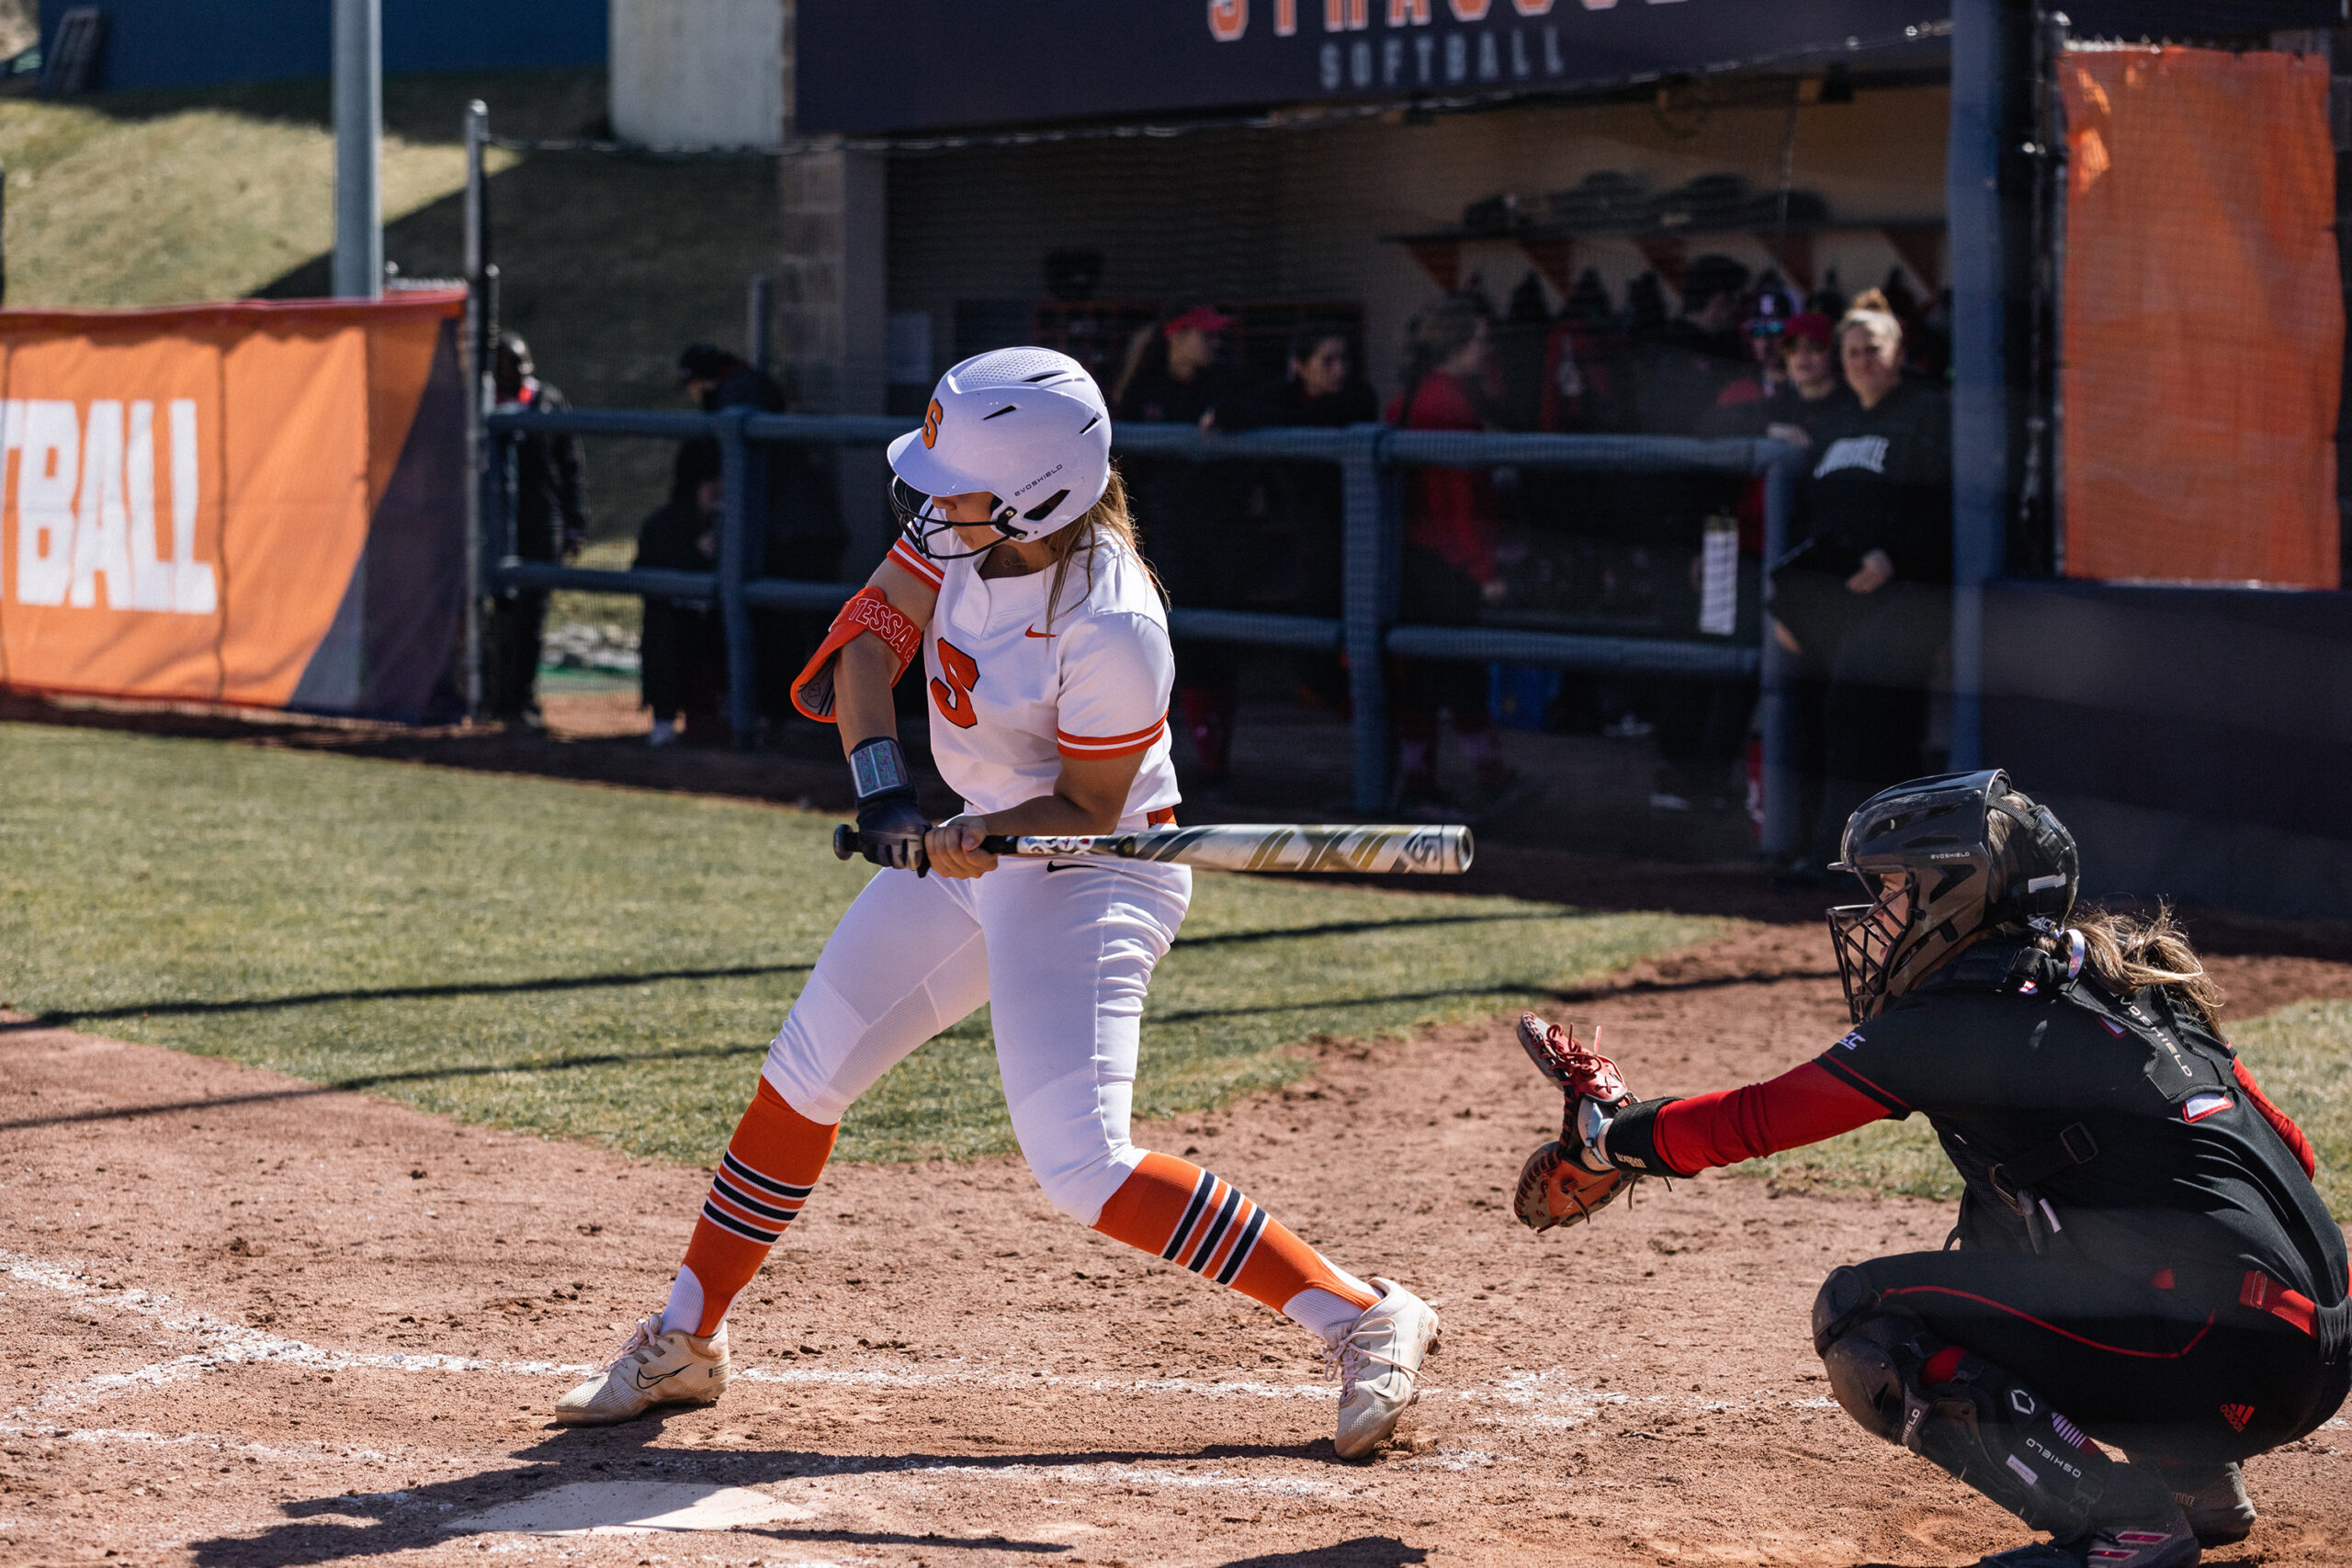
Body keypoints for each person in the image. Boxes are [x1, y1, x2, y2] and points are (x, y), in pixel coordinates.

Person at [554, 347, 1441, 1460]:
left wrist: (996, 828)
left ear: (1035, 494)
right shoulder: (955, 533)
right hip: (982, 849)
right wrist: (886, 797)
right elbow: (868, 645)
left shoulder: (1112, 624)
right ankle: (687, 1338)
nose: (930, 498)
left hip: (1094, 870)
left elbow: (1092, 799)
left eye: (956, 481)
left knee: (1081, 1164)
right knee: (804, 1074)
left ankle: (1361, 1316)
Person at [1513, 770, 2347, 1568]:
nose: (1878, 913)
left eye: (1894, 889)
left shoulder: (1964, 1017)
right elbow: (2294, 1151)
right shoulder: (2123, 972)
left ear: (1959, 892)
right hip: (2316, 1343)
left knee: (1864, 1315)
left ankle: (2122, 1523)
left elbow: (1759, 1118)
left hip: (2225, 1357)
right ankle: (2196, 1472)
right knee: (2011, 1208)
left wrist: (1613, 1138)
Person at [1770, 291, 1952, 875]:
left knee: (1858, 708)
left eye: (1872, 349)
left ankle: (1849, 856)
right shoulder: (1835, 423)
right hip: (1827, 602)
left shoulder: (1926, 413)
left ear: (1898, 353)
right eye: (1851, 351)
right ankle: (1803, 847)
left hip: (1902, 597)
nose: (1861, 360)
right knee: (1803, 707)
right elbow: (1808, 522)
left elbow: (1945, 509)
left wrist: (1896, 558)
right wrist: (1786, 605)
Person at [1386, 294, 1520, 816]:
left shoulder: (1413, 393)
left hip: (1412, 561)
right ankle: (1487, 779)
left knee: (1420, 678)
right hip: (1447, 562)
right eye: (1481, 341)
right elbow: (1459, 504)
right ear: (1459, 346)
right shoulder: (1450, 403)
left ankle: (1420, 781)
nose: (1486, 349)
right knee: (1460, 676)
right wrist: (1484, 570)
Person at [675, 342, 846, 735]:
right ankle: (795, 717)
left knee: (806, 626)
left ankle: (815, 718)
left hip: (797, 533)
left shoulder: (739, 390)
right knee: (795, 624)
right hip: (793, 529)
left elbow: (751, 478)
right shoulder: (743, 385)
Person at [1114, 306, 1249, 798]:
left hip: (1223, 529)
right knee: (1176, 645)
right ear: (1177, 336)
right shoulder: (1145, 390)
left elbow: (1258, 406)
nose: (1213, 344)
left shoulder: (1226, 382)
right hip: (1165, 532)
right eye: (1204, 336)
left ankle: (1216, 765)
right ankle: (1168, 765)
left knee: (1221, 646)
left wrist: (1233, 417)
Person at [1214, 321, 1378, 709]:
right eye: (1328, 361)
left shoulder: (1357, 397)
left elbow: (1309, 421)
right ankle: (1323, 691)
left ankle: (1360, 704)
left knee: (1354, 616)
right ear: (1300, 366)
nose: (1339, 369)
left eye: (1344, 360)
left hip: (1359, 532)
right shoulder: (1286, 395)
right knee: (1315, 606)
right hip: (1312, 529)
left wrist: (1246, 418)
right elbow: (1250, 405)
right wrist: (1225, 413)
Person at [483, 334, 589, 726]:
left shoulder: (548, 402)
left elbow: (570, 466)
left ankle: (523, 700)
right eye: (513, 365)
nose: (523, 372)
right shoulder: (480, 405)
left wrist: (575, 523)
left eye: (526, 364)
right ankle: (493, 696)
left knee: (531, 618)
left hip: (540, 525)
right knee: (497, 619)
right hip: (492, 527)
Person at [633, 440, 728, 747]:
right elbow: (646, 579)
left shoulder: (736, 525)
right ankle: (663, 721)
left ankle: (727, 717)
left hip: (716, 632)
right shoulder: (661, 526)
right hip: (673, 633)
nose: (719, 493)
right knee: (663, 631)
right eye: (711, 486)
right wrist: (697, 554)